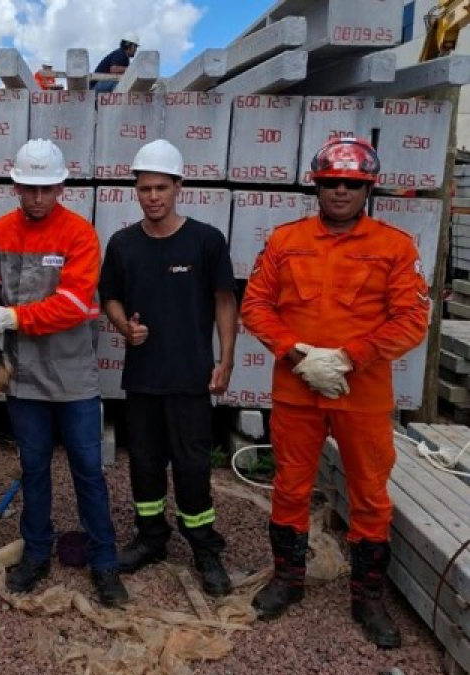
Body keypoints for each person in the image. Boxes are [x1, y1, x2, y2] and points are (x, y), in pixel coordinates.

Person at [240, 137, 429, 649]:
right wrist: (298, 355)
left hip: (361, 393)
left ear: (368, 189)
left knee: (369, 492)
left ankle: (368, 598)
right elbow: (255, 305)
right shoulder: (285, 241)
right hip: (296, 389)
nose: (340, 190)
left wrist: (347, 358)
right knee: (290, 486)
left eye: (351, 183)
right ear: (317, 187)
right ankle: (288, 579)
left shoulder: (395, 246)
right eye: (331, 182)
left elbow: (412, 319)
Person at [0, 138, 129, 607]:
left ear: (61, 187)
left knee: (88, 472)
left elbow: (74, 305)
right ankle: (36, 553)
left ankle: (104, 562)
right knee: (33, 470)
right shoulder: (0, 232)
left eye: (46, 189)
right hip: (24, 378)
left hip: (74, 377)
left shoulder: (79, 234)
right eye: (29, 188)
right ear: (16, 186)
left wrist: (10, 317)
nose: (37, 198)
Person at [98, 139, 238, 597]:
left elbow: (224, 301)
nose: (153, 196)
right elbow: (110, 297)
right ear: (136, 191)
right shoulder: (123, 244)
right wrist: (123, 326)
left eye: (161, 187)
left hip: (191, 378)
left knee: (193, 466)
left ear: (179, 187)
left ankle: (203, 546)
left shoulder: (206, 241)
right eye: (145, 188)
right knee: (144, 463)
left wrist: (226, 360)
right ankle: (151, 537)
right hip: (143, 379)